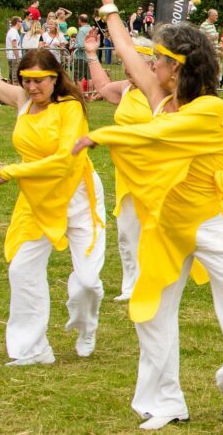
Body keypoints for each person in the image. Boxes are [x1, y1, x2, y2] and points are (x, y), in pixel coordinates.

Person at [76, 0, 223, 428]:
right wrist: (109, 5)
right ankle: (167, 402)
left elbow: (157, 136)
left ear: (177, 68)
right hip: (163, 222)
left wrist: (102, 137)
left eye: (157, 60)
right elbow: (126, 49)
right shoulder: (158, 92)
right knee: (153, 316)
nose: (148, 64)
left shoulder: (210, 110)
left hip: (212, 220)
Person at [0, 7, 107, 366]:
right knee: (21, 269)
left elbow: (65, 159)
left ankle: (85, 324)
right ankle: (32, 349)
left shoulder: (70, 108)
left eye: (39, 80)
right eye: (26, 79)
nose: (32, 86)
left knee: (88, 281)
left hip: (76, 194)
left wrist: (13, 171)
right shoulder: (21, 100)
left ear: (55, 78)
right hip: (36, 199)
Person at [83, 29, 157, 302]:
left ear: (150, 65)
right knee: (128, 230)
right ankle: (131, 285)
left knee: (156, 228)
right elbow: (102, 88)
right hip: (125, 172)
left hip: (154, 170)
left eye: (131, 62)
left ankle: (158, 279)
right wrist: (91, 54)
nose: (126, 69)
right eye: (125, 63)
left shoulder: (161, 92)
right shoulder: (126, 89)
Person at [6, 17, 23, 85]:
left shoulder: (13, 31)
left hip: (11, 57)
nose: (22, 23)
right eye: (21, 21)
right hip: (14, 57)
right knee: (15, 77)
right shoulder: (13, 31)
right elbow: (14, 45)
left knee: (11, 77)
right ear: (17, 22)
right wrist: (17, 57)